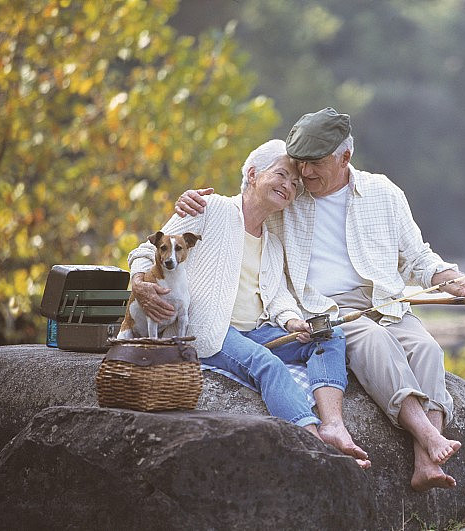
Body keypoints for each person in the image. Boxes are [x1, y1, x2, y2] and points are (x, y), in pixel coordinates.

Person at [176, 109, 465, 491]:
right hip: (325, 307)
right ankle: (428, 436)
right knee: (375, 345)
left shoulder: (383, 192)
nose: (304, 175)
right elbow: (249, 199)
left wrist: (461, 286)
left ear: (344, 158)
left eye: (314, 165)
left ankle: (426, 463)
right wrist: (192, 203)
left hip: (385, 300)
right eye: (298, 165)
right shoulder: (289, 197)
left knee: (427, 349)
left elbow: (419, 258)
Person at [128, 138, 369, 469]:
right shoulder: (210, 210)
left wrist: (292, 321)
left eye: (296, 183)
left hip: (256, 329)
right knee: (266, 364)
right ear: (253, 173)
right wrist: (140, 284)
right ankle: (317, 447)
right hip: (210, 330)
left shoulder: (271, 238)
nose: (290, 185)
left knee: (327, 336)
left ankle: (333, 425)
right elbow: (144, 251)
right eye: (282, 175)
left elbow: (277, 294)